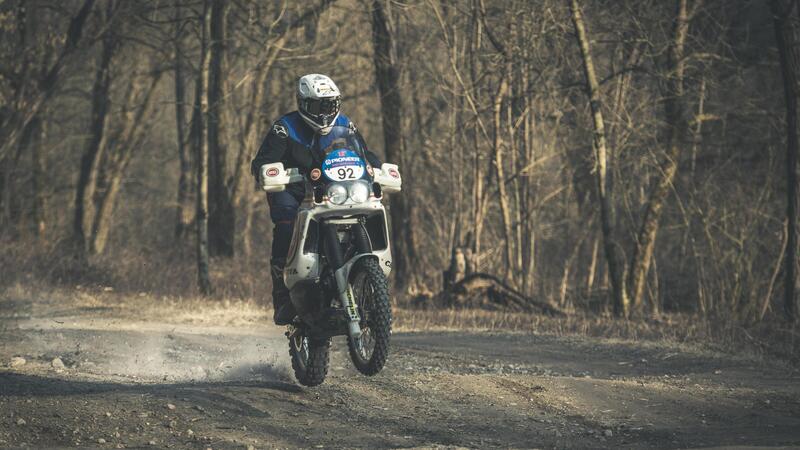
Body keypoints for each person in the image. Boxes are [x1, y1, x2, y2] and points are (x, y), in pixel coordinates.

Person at [251, 74, 382, 325]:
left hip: (333, 190)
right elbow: (262, 161)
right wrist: (269, 171)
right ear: (303, 104)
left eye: (329, 105)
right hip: (293, 191)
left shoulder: (345, 124)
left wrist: (376, 167)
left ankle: (359, 277)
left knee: (365, 209)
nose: (324, 113)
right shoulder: (284, 128)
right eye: (317, 106)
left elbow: (365, 154)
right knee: (286, 223)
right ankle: (282, 295)